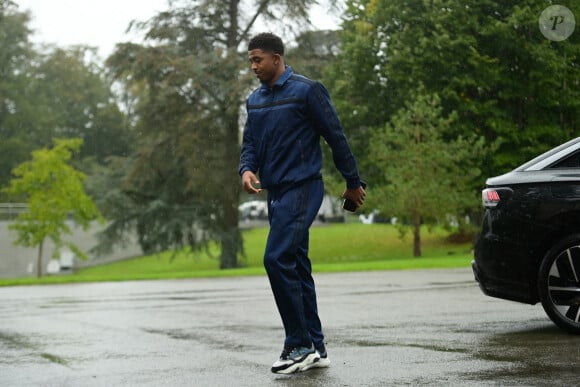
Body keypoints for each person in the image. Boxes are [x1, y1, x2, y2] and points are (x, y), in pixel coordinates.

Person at [239, 32, 365, 374]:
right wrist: (247, 169)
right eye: (250, 60)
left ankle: (298, 344)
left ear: (277, 59)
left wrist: (353, 182)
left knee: (276, 258)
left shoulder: (307, 90)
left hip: (304, 186)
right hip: (276, 192)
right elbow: (250, 141)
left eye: (257, 60)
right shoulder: (255, 101)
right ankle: (317, 346)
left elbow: (335, 135)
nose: (252, 66)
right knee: (295, 263)